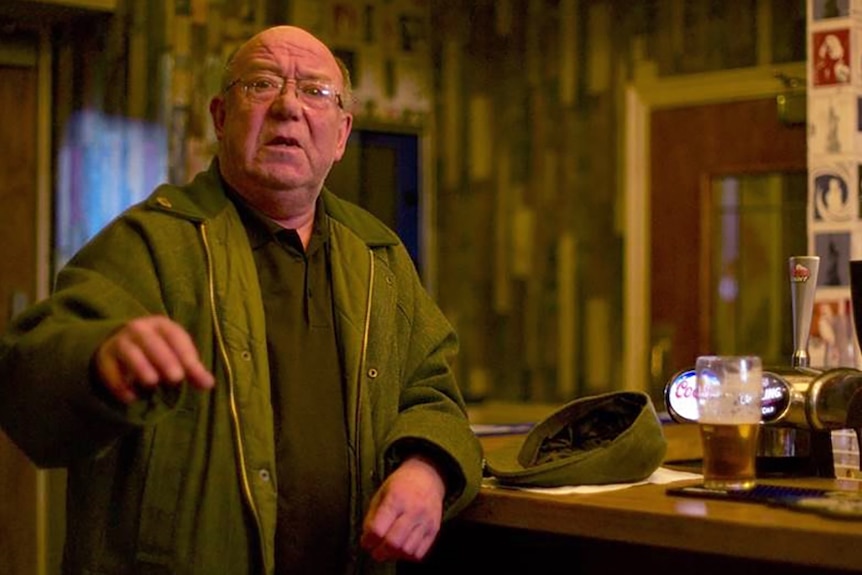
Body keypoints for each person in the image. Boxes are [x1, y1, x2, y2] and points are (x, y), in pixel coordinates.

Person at [0, 25, 482, 575]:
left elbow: (433, 394)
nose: (288, 108)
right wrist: (98, 359)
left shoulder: (379, 256)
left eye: (315, 92)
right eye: (261, 84)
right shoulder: (153, 244)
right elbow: (27, 377)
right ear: (221, 116)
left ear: (342, 133)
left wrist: (427, 467)